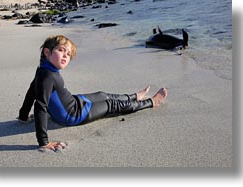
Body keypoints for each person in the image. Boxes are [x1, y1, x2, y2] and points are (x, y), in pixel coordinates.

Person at [18, 35, 167, 151]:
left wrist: (23, 116)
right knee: (111, 105)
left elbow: (31, 91)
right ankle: (151, 102)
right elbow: (40, 106)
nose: (65, 56)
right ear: (47, 52)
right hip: (75, 115)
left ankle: (134, 96)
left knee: (102, 94)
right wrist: (44, 142)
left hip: (74, 102)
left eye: (68, 54)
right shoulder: (47, 76)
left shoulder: (44, 70)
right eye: (61, 50)